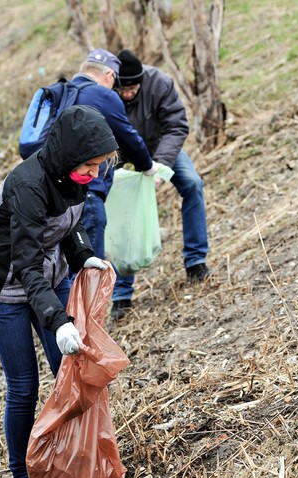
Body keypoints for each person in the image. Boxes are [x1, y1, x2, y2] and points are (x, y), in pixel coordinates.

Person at [0, 105, 119, 478]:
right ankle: (23, 477)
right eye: (89, 165)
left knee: (69, 372)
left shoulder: (76, 175)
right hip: (5, 290)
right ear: (69, 155)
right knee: (24, 386)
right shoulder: (27, 185)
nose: (93, 173)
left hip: (48, 279)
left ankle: (76, 458)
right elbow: (25, 263)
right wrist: (58, 319)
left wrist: (83, 254)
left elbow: (71, 225)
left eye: (99, 166)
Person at [111, 49, 211, 320]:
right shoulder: (106, 88)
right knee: (116, 206)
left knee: (192, 183)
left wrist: (159, 166)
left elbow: (176, 126)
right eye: (123, 89)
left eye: (132, 89)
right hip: (117, 152)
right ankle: (121, 293)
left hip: (158, 148)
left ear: (141, 81)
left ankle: (196, 261)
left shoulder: (159, 82)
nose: (128, 94)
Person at [70, 49, 158, 282]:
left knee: (66, 271)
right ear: (108, 74)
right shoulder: (102, 95)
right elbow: (128, 135)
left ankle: (65, 317)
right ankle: (87, 318)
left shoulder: (64, 93)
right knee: (91, 272)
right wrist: (147, 165)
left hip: (55, 199)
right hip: (88, 194)